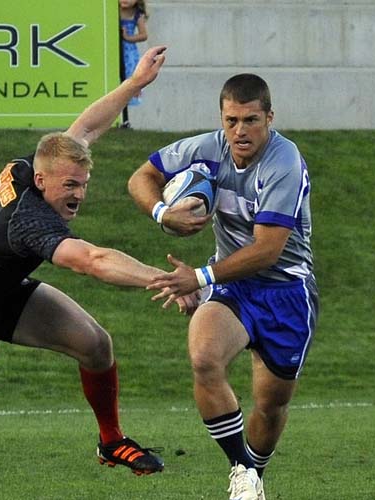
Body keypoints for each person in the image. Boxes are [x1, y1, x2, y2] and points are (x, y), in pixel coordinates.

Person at [0, 46, 173, 500]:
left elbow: (83, 131)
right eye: (70, 185)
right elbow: (92, 260)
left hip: (0, 292)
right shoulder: (29, 222)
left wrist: (134, 83)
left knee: (95, 344)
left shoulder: (30, 168)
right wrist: (165, 279)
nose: (79, 195)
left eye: (83, 184)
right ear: (45, 182)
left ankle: (111, 441)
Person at [128, 73, 317, 500]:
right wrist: (162, 213)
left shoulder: (285, 163)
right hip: (232, 288)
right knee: (204, 358)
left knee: (271, 405)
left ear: (269, 118)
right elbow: (142, 176)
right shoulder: (207, 148)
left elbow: (267, 250)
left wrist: (197, 278)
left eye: (251, 120)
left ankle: (254, 476)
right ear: (222, 118)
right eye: (231, 120)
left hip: (286, 291)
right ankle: (242, 471)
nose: (240, 131)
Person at [118, 0, 149, 128]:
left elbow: (144, 35)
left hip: (128, 51)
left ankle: (125, 118)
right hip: (114, 49)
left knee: (128, 79)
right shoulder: (112, 11)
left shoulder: (137, 14)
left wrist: (128, 38)